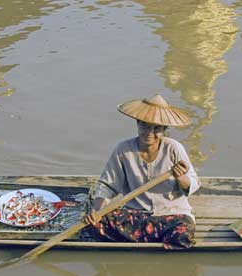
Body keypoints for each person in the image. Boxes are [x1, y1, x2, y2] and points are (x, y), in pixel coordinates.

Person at [82, 94, 201, 249]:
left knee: (183, 233)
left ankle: (138, 241)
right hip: (137, 216)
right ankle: (151, 241)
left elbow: (192, 185)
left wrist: (181, 177)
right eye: (145, 125)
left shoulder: (174, 148)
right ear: (138, 124)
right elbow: (107, 186)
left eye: (157, 128)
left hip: (171, 215)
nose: (149, 132)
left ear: (164, 129)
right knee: (94, 225)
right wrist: (97, 210)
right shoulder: (123, 149)